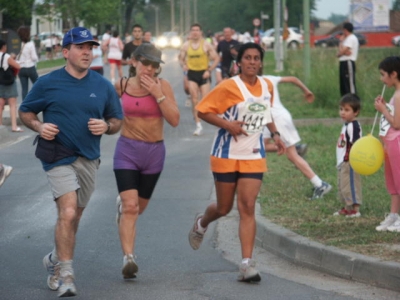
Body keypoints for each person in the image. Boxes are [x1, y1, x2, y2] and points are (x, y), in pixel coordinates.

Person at [18, 27, 123, 297]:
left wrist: (106, 127)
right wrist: (39, 127)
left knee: (75, 216)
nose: (87, 52)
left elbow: (116, 120)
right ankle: (66, 274)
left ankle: (54, 259)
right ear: (66, 52)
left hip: (89, 157)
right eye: (81, 47)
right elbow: (25, 112)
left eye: (90, 47)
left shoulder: (102, 85)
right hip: (57, 154)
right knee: (66, 212)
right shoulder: (48, 82)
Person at [188, 43, 285, 282]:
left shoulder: (267, 85)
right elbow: (203, 111)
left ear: (261, 62)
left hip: (253, 154)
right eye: (247, 58)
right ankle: (202, 222)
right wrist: (228, 125)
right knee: (224, 208)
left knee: (247, 207)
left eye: (256, 58)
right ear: (239, 61)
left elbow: (266, 112)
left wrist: (276, 134)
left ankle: (246, 264)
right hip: (226, 154)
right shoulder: (229, 86)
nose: (252, 62)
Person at [113, 43, 179, 279]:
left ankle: (123, 208)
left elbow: (174, 120)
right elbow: (107, 113)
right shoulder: (121, 86)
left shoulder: (164, 86)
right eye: (145, 63)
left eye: (154, 65)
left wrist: (157, 95)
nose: (149, 69)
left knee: (139, 208)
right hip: (126, 151)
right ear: (134, 62)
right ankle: (128, 258)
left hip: (154, 154)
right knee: (130, 207)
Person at [262, 75, 332, 200]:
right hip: (270, 118)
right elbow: (293, 79)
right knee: (260, 145)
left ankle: (320, 184)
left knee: (291, 155)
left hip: (277, 119)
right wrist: (306, 90)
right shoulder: (269, 77)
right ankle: (298, 149)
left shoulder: (257, 82)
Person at [374, 56, 400, 232]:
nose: (382, 79)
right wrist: (385, 106)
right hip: (390, 143)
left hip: (397, 142)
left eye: (383, 75)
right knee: (392, 181)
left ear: (394, 74)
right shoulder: (395, 94)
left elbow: (397, 123)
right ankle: (393, 214)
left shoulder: (399, 95)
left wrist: (383, 110)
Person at [179, 23, 219, 136]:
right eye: (193, 30)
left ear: (201, 32)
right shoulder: (186, 45)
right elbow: (181, 58)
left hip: (204, 73)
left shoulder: (206, 45)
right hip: (192, 74)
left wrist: (209, 70)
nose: (195, 32)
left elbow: (216, 58)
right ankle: (198, 125)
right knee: (194, 98)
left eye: (197, 30)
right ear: (190, 32)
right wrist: (183, 65)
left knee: (204, 100)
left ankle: (212, 121)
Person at [333, 93, 362, 217]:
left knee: (351, 184)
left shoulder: (353, 126)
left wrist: (350, 160)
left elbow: (356, 144)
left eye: (346, 110)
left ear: (355, 112)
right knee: (343, 186)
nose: (342, 112)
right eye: (341, 109)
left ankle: (355, 210)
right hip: (342, 162)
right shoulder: (346, 125)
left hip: (349, 162)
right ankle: (347, 207)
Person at [0, 39, 21, 132]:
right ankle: (14, 126)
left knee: (0, 105)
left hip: (0, 82)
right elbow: (17, 66)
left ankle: (0, 125)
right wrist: (13, 58)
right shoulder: (6, 56)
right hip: (9, 82)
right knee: (12, 104)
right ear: (3, 46)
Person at [16, 26, 39, 101]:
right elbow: (34, 57)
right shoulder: (30, 44)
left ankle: (25, 106)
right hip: (30, 67)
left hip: (21, 68)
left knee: (24, 89)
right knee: (38, 85)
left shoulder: (17, 45)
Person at [337, 22, 359, 96]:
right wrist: (342, 52)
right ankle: (345, 101)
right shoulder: (347, 39)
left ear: (345, 30)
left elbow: (343, 51)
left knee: (349, 84)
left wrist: (340, 43)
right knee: (343, 84)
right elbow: (344, 52)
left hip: (348, 62)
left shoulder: (351, 38)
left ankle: (353, 100)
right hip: (343, 62)